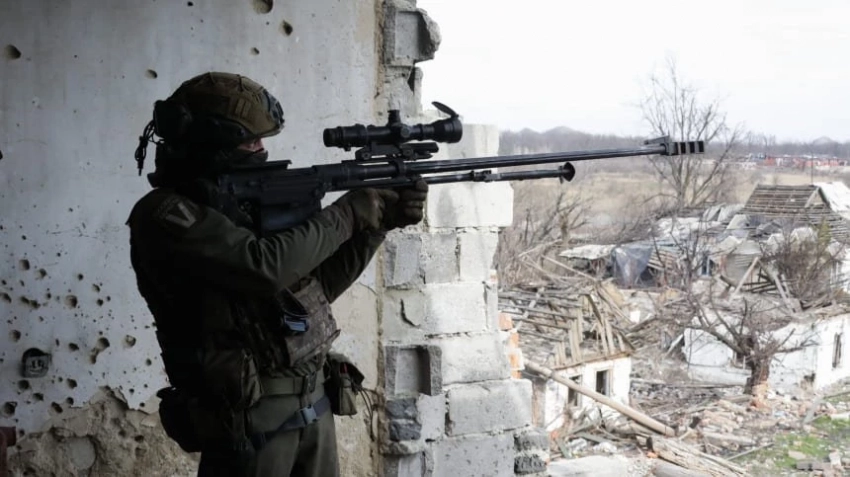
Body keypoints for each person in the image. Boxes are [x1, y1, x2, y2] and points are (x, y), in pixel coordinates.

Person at [127, 72, 428, 477]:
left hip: (314, 406)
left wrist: (375, 226)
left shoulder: (240, 210)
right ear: (210, 142)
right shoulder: (166, 215)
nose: (261, 150)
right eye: (250, 141)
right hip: (249, 421)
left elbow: (315, 291)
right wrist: (347, 214)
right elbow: (265, 267)